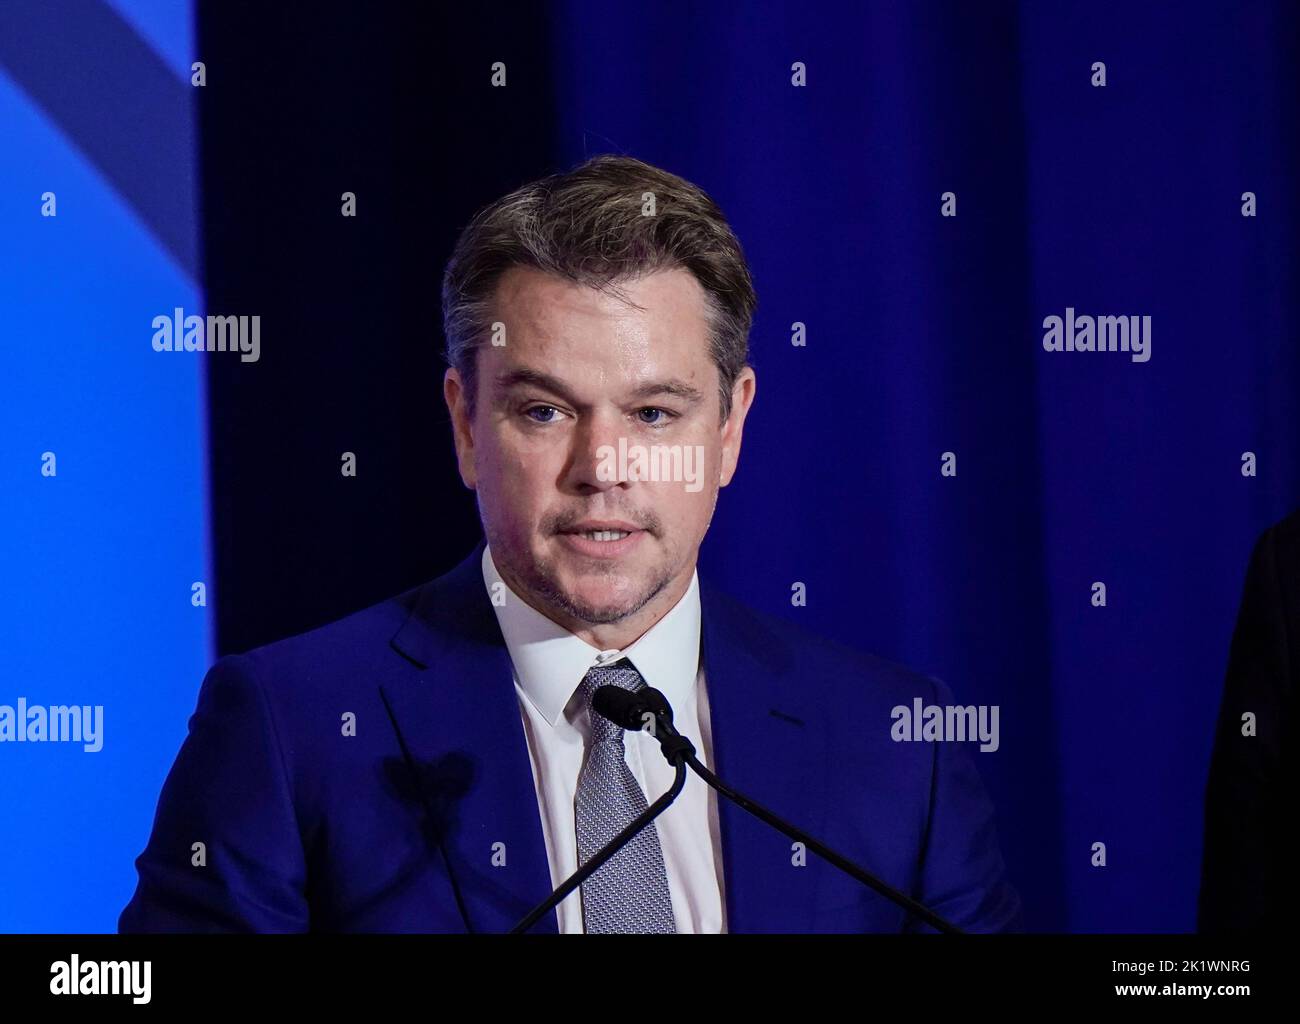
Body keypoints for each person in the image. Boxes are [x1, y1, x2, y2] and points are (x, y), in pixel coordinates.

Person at [119, 154, 1022, 933]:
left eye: (654, 413)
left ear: (731, 429)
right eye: (544, 411)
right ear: (466, 426)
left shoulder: (899, 746)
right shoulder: (288, 728)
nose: (603, 466)